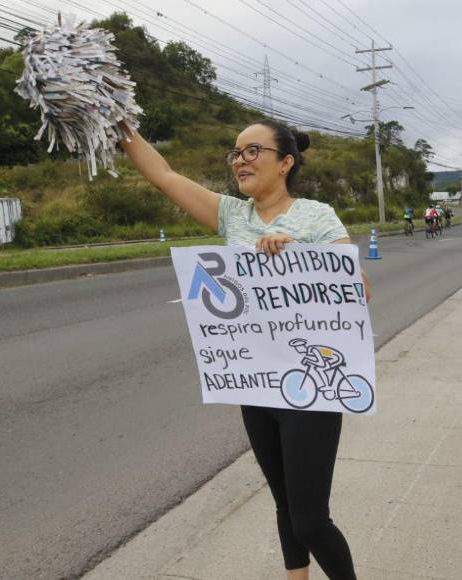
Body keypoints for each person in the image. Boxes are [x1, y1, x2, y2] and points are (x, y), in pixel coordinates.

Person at [119, 119, 364, 579]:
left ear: (285, 163)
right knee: (285, 506)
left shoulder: (317, 215)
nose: (240, 161)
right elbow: (164, 176)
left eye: (252, 151)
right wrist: (118, 123)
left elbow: (358, 287)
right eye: (235, 153)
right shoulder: (232, 215)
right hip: (258, 388)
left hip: (311, 393)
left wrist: (298, 255)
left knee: (311, 521)